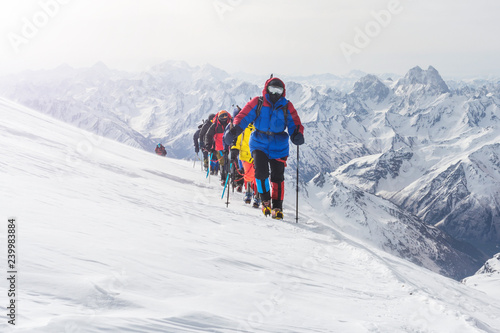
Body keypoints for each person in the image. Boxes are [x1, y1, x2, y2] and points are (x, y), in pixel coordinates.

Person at [223, 77, 304, 219]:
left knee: (277, 177)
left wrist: (297, 133)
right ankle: (265, 200)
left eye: (278, 90)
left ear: (283, 92)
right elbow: (244, 116)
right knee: (260, 172)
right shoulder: (258, 102)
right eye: (272, 90)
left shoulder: (286, 106)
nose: (274, 94)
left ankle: (277, 207)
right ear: (266, 89)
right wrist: (235, 129)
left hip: (279, 145)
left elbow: (294, 123)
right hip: (259, 143)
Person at [205, 110, 232, 185]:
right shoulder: (215, 125)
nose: (224, 118)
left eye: (225, 116)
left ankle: (228, 177)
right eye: (222, 116)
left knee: (228, 162)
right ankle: (224, 178)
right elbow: (208, 135)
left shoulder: (230, 123)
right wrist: (208, 145)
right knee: (223, 163)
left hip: (228, 146)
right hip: (219, 147)